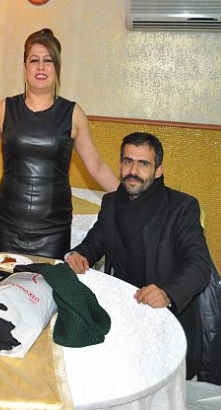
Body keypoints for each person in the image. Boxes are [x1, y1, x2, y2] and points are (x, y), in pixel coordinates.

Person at [0, 28, 118, 259]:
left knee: (46, 281)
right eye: (34, 60)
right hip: (8, 224)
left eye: (48, 61)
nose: (41, 67)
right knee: (6, 281)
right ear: (25, 67)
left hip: (53, 228)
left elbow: (97, 167)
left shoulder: (73, 114)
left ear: (57, 68)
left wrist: (133, 199)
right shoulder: (4, 109)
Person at [66, 132, 211, 379]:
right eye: (128, 161)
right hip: (122, 315)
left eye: (143, 163)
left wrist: (167, 293)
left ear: (158, 170)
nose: (133, 171)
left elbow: (199, 266)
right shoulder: (111, 202)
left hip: (164, 321)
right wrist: (78, 254)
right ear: (120, 165)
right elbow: (94, 243)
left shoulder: (181, 207)